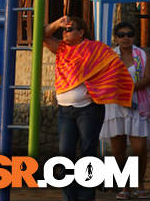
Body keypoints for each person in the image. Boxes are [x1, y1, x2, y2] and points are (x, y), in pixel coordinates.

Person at [44, 15, 134, 201]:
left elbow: (115, 67)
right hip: (64, 110)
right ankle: (69, 197)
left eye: (69, 29)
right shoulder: (61, 48)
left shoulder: (95, 49)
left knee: (87, 153)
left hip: (88, 109)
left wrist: (103, 90)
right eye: (64, 29)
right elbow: (41, 37)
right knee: (65, 154)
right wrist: (56, 24)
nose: (65, 32)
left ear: (81, 32)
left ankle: (86, 198)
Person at [100, 22, 150, 199]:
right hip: (115, 105)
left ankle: (140, 182)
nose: (125, 38)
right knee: (118, 150)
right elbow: (104, 79)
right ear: (116, 38)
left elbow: (148, 78)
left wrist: (128, 90)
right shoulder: (110, 56)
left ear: (134, 37)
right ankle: (125, 185)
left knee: (140, 147)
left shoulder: (142, 55)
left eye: (129, 34)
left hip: (137, 105)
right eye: (121, 35)